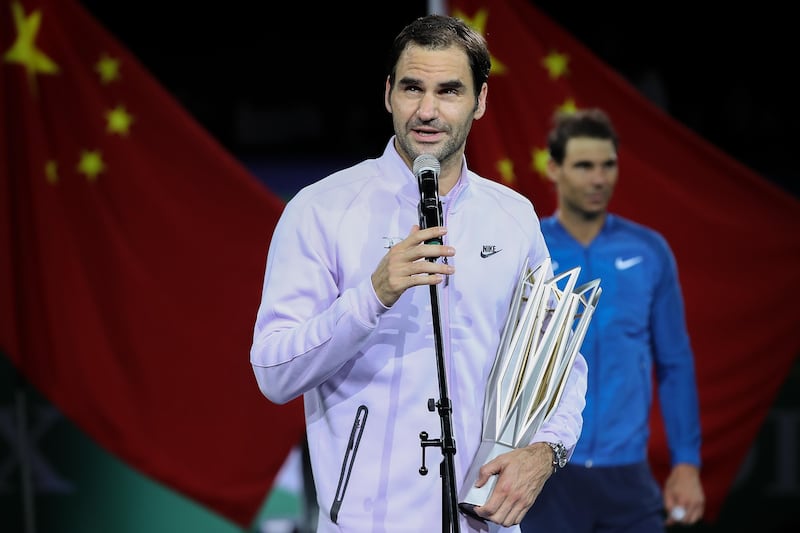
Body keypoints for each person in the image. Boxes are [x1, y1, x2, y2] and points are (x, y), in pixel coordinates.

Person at [250, 14, 588, 533]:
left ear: (480, 102)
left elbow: (556, 362)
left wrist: (547, 450)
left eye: (449, 91)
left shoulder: (513, 216)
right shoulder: (321, 209)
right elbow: (274, 372)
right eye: (412, 88)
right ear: (388, 94)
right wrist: (372, 295)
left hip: (486, 525)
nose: (427, 111)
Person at [520, 108, 705, 532]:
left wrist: (687, 462)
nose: (599, 179)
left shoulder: (650, 251)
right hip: (543, 472)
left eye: (608, 165)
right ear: (554, 168)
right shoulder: (529, 249)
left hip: (628, 478)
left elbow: (674, 364)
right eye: (584, 166)